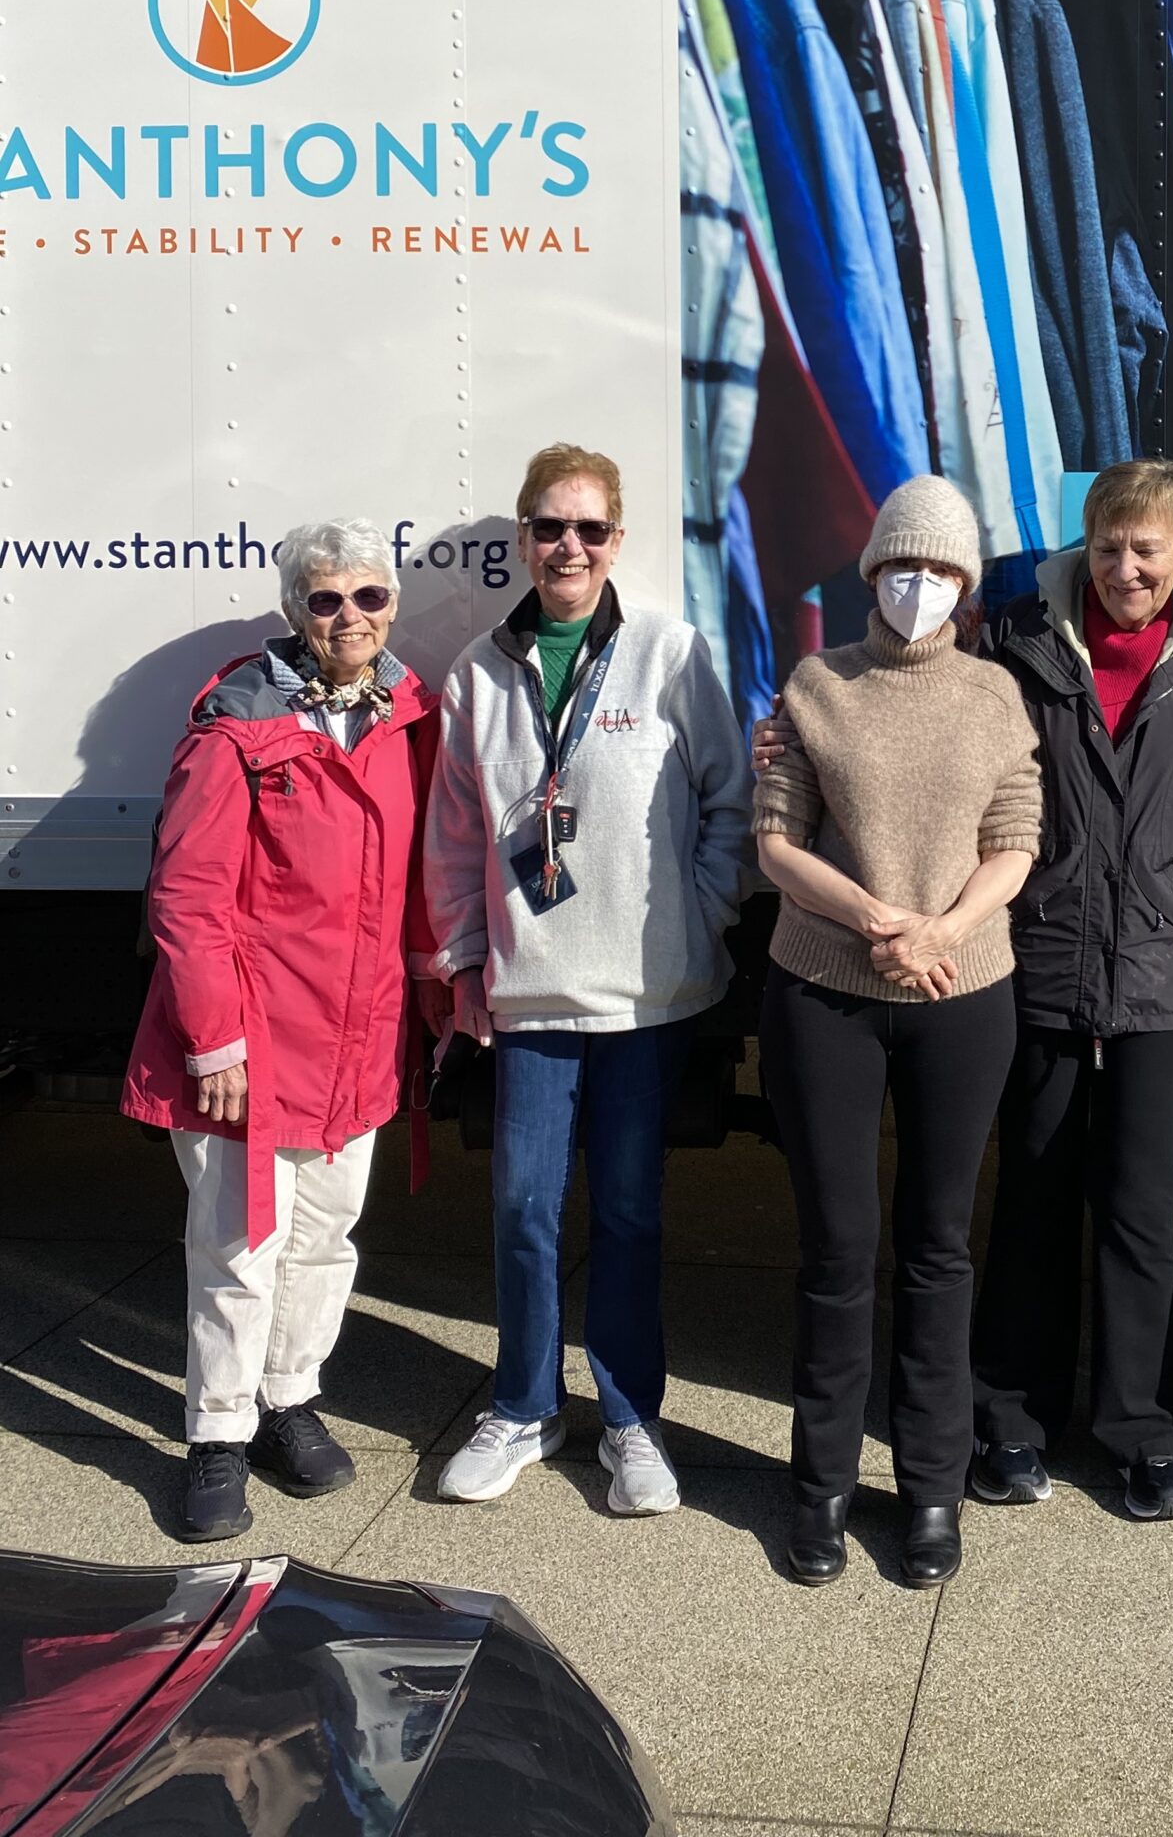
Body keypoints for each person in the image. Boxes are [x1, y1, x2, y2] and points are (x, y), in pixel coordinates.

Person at [425, 443, 753, 1517]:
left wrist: (698, 918)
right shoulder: (480, 669)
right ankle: (524, 1405)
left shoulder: (668, 652)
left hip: (642, 997)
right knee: (522, 1207)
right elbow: (457, 831)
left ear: (618, 539)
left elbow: (728, 803)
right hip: (530, 994)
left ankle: (628, 1417)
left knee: (628, 1211)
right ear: (522, 539)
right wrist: (467, 955)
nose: (569, 547)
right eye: (549, 527)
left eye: (590, 528)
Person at [122, 520, 440, 1542]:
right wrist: (214, 1039)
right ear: (294, 611)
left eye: (369, 597)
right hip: (249, 1050)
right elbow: (187, 895)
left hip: (356, 1039)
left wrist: (434, 994)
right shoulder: (236, 726)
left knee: (324, 1236)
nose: (351, 616)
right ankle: (214, 1437)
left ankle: (285, 1402)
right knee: (236, 1246)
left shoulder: (407, 713)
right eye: (326, 599)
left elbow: (421, 875)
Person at [752, 475, 1040, 1590]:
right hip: (824, 988)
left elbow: (1017, 835)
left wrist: (943, 930)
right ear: (872, 572)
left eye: (942, 572)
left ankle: (931, 1484)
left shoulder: (994, 696)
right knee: (834, 1248)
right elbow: (777, 841)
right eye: (901, 567)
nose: (919, 587)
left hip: (962, 995)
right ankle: (818, 1482)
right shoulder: (819, 683)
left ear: (967, 587)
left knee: (937, 1248)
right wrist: (879, 919)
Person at [967, 458, 1173, 1521]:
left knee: (1142, 1211)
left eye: (1149, 550)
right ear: (1085, 543)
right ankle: (1010, 1417)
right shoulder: (1019, 646)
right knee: (1033, 1196)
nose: (1127, 569)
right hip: (1038, 961)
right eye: (1112, 546)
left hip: (1160, 974)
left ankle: (1143, 1429)